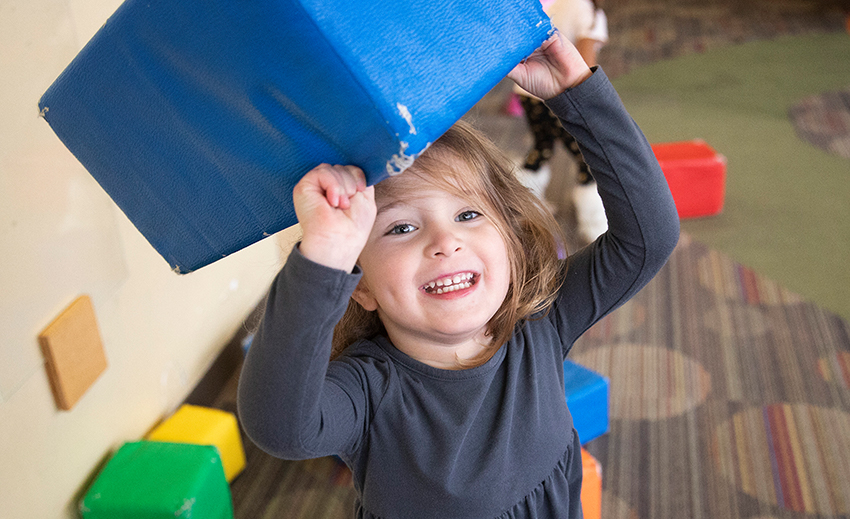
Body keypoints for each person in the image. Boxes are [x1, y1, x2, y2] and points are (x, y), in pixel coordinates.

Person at [238, 31, 679, 519]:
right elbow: (278, 426)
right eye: (402, 227)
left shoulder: (542, 323)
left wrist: (576, 93)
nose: (445, 242)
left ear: (509, 240)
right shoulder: (368, 388)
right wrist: (322, 255)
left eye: (468, 215)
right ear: (358, 282)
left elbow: (649, 238)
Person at [515, 0, 610, 244]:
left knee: (541, 146)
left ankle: (524, 207)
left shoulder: (548, 2)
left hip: (528, 90)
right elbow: (585, 60)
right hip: (561, 96)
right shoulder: (586, 9)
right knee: (586, 158)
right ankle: (595, 226)